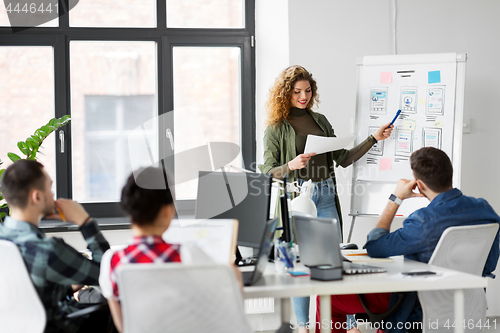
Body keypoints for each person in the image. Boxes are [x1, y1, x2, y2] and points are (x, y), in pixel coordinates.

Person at [258, 65, 393, 332]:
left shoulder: (320, 121)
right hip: (299, 198)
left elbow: (343, 159)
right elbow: (267, 171)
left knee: (335, 261)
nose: (303, 96)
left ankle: (350, 324)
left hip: (327, 193)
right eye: (297, 91)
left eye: (307, 91)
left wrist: (373, 138)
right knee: (301, 265)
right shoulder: (276, 128)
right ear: (286, 93)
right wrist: (292, 164)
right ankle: (305, 327)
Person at [317, 147, 500, 333]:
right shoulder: (485, 210)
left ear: (418, 185)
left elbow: (374, 247)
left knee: (327, 297)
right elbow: (489, 265)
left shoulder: (423, 220)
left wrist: (395, 199)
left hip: (417, 309)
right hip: (466, 305)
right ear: (449, 174)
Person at [99, 166, 243, 332]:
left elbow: (123, 327)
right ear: (167, 211)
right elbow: (223, 310)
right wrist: (234, 277)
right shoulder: (187, 255)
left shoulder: (111, 261)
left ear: (129, 212)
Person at [0, 159, 111, 333]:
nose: (53, 195)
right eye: (50, 188)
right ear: (37, 197)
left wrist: (66, 286)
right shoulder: (48, 251)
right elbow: (106, 277)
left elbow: (24, 293)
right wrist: (84, 221)